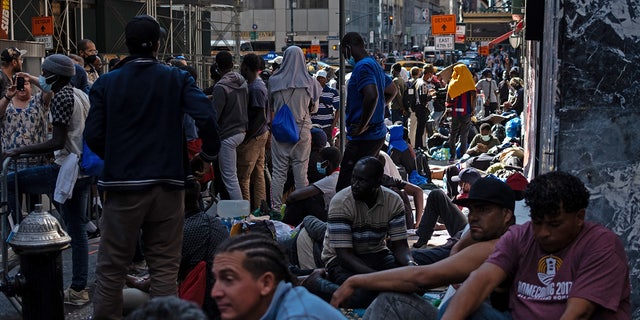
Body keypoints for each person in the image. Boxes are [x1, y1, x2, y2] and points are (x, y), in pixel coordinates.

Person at [84, 15, 220, 319]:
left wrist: (118, 156)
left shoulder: (107, 82)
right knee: (164, 270)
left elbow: (92, 135)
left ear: (128, 45)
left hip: (121, 188)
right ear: (158, 45)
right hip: (167, 187)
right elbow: (206, 116)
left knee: (111, 270)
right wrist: (207, 155)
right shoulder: (177, 78)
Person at [441, 171, 631, 319]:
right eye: (537, 222)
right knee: (457, 305)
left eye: (554, 224)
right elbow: (480, 282)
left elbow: (578, 314)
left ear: (579, 217)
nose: (543, 233)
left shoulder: (602, 245)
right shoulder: (521, 235)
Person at [330, 177, 516, 320]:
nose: (474, 217)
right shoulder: (489, 235)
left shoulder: (501, 245)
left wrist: (356, 281)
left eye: (483, 210)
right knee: (390, 294)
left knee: (392, 299)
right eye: (472, 210)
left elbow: (422, 278)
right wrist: (459, 244)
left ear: (507, 215)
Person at [1, 54, 95, 306]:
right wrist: (31, 79)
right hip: (82, 170)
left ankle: (18, 238)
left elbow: (57, 142)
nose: (41, 77)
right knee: (77, 229)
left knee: (10, 181)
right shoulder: (79, 95)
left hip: (64, 169)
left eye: (44, 73)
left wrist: (18, 151)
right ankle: (78, 289)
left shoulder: (62, 97)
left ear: (54, 76)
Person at [317, 157, 413, 308]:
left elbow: (400, 246)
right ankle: (317, 285)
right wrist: (378, 279)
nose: (355, 185)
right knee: (360, 296)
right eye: (353, 178)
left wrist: (410, 264)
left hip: (377, 255)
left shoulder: (393, 201)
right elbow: (344, 255)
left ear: (377, 182)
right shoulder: (341, 202)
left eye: (362, 181)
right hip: (341, 260)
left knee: (412, 285)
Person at [211, 233, 346, 320]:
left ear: (266, 283)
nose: (215, 293)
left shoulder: (298, 316)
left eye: (228, 279)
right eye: (215, 279)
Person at [335, 32, 397, 191]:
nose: (344, 56)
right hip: (375, 135)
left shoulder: (362, 66)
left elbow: (372, 95)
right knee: (365, 183)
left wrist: (363, 124)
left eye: (343, 52)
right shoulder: (374, 64)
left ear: (348, 48)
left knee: (345, 186)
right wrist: (378, 109)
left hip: (364, 137)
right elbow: (391, 90)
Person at [268, 45, 321, 212]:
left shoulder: (274, 80)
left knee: (278, 173)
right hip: (301, 131)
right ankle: (300, 211)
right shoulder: (310, 81)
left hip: (281, 131)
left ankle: (276, 210)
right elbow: (314, 109)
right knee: (301, 174)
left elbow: (270, 105)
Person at [412, 167, 481, 249]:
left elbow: (471, 223)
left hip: (466, 234)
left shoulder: (473, 199)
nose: (458, 184)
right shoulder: (466, 195)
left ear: (467, 185)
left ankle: (422, 241)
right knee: (436, 194)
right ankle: (422, 239)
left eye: (460, 182)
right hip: (464, 230)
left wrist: (440, 226)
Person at [213, 50, 248, 200]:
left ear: (217, 67)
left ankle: (240, 215)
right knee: (235, 176)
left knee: (230, 178)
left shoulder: (221, 87)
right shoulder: (242, 81)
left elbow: (215, 115)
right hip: (242, 131)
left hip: (227, 135)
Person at [237, 53, 269, 210]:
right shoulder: (257, 84)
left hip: (254, 136)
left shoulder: (255, 88)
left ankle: (246, 213)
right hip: (261, 134)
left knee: (243, 177)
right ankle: (258, 209)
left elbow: (259, 115)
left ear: (246, 67)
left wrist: (246, 138)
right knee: (258, 175)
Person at [283, 146, 341, 226]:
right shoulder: (337, 175)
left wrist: (288, 202)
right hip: (330, 211)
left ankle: (284, 225)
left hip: (329, 216)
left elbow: (293, 196)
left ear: (327, 163)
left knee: (304, 200)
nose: (319, 164)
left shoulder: (332, 179)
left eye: (321, 161)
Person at [446, 63, 476, 164]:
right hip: (466, 111)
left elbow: (448, 99)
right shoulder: (469, 82)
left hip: (455, 112)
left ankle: (452, 156)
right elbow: (474, 96)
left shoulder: (452, 83)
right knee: (464, 135)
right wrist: (472, 108)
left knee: (453, 134)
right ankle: (463, 156)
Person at [311, 69, 340, 145]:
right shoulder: (311, 91)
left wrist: (333, 125)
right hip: (313, 124)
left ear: (325, 80)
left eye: (322, 78)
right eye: (318, 78)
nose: (320, 80)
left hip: (327, 125)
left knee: (327, 145)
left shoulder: (332, 92)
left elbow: (338, 109)